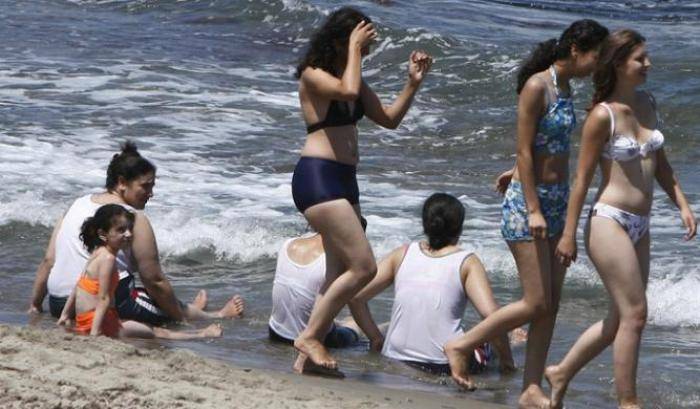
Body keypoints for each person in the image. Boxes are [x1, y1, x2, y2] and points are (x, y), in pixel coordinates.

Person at [444, 20, 609, 407]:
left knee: (549, 305)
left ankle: (530, 387)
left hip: (557, 200)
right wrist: (532, 206)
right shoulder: (538, 86)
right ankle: (462, 344)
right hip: (528, 206)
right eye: (596, 55)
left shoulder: (567, 88)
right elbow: (523, 148)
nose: (598, 64)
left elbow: (544, 149)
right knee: (535, 301)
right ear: (575, 50)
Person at [543, 29, 696, 409]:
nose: (648, 64)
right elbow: (581, 180)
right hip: (608, 221)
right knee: (636, 314)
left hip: (641, 225)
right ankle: (628, 401)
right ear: (618, 64)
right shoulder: (602, 116)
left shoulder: (647, 102)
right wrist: (568, 235)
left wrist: (682, 203)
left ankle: (561, 372)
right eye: (639, 59)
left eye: (646, 57)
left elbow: (659, 163)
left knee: (618, 322)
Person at [291, 7, 432, 372]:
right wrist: (354, 47)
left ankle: (305, 359)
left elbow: (389, 120)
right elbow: (347, 89)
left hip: (345, 182)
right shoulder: (314, 75)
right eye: (361, 42)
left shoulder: (353, 78)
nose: (366, 51)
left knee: (337, 275)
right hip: (318, 177)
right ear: (342, 40)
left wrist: (412, 83)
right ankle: (308, 338)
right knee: (364, 266)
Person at [28, 142, 244, 324]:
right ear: (122, 182)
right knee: (162, 304)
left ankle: (189, 308)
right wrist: (180, 317)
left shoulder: (76, 204)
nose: (151, 194)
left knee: (144, 293)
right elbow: (155, 280)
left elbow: (49, 260)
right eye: (145, 186)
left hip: (58, 303)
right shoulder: (132, 218)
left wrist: (36, 305)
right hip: (96, 307)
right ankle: (213, 314)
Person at [349, 193, 522, 379]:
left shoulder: (403, 254)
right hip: (443, 364)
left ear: (425, 225)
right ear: (460, 228)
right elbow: (490, 316)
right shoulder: (466, 261)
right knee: (486, 344)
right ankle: (514, 340)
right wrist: (507, 360)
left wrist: (375, 337)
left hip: (393, 357)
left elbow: (355, 297)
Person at [57, 204, 222, 340]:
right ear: (103, 234)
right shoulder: (108, 260)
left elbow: (78, 286)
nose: (128, 234)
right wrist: (94, 334)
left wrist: (64, 315)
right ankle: (203, 333)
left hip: (84, 320)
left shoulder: (97, 252)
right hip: (98, 324)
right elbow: (104, 298)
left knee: (144, 328)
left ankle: (194, 313)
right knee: (157, 332)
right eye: (121, 230)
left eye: (129, 229)